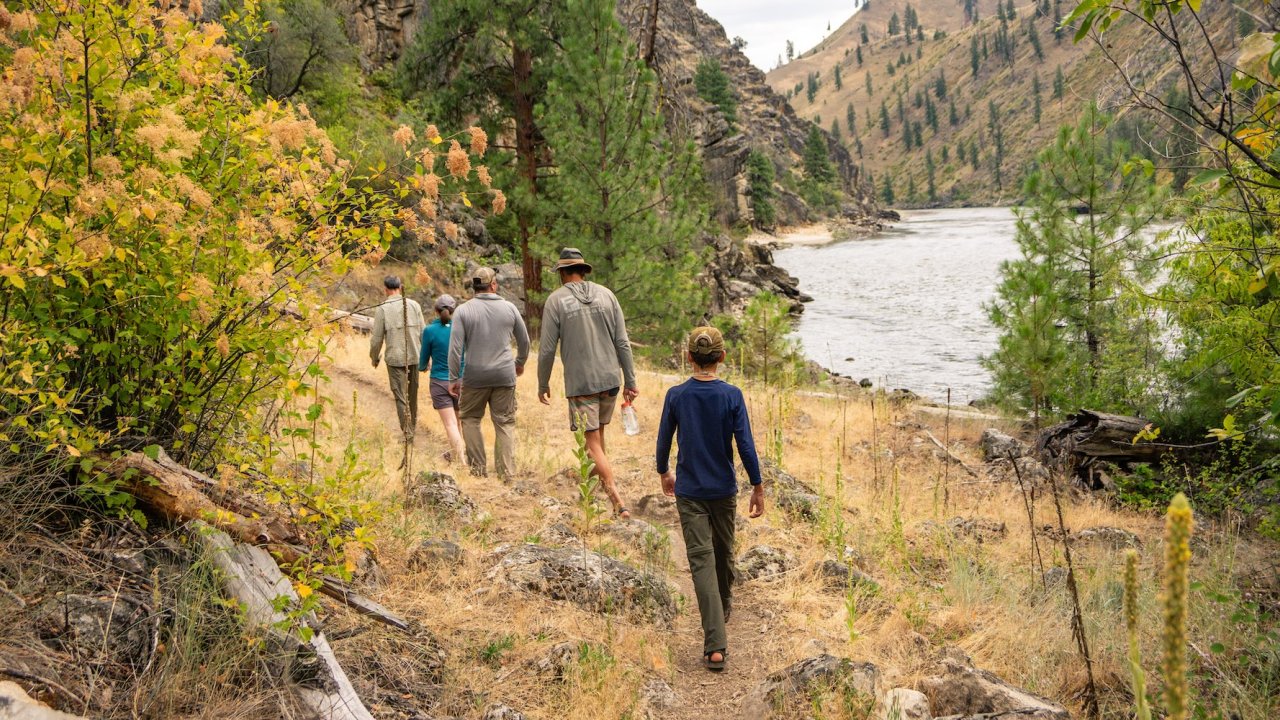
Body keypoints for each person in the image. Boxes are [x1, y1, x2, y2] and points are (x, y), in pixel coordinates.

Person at [656, 326, 764, 673]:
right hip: (723, 490)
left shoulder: (677, 395)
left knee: (703, 560)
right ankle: (717, 638)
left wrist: (664, 471)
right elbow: (744, 444)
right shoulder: (732, 395)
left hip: (690, 491)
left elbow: (664, 440)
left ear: (689, 357)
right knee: (723, 551)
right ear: (722, 357)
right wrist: (758, 485)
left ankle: (719, 614)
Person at [537, 247, 638, 518]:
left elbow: (546, 349)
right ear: (583, 270)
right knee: (598, 438)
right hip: (610, 379)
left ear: (562, 273)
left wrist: (542, 382)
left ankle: (618, 501)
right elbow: (622, 342)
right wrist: (630, 379)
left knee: (590, 442)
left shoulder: (556, 301)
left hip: (582, 382)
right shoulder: (607, 295)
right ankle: (594, 495)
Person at [448, 267, 529, 480]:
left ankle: (478, 472)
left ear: (475, 286)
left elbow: (455, 349)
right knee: (504, 422)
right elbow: (525, 341)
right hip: (504, 374)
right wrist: (519, 363)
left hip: (475, 376)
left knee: (471, 418)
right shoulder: (509, 308)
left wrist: (454, 378)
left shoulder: (463, 311)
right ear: (493, 285)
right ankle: (506, 474)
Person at [370, 275, 425, 443]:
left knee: (401, 396)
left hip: (395, 359)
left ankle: (408, 434)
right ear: (400, 287)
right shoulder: (414, 305)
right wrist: (426, 357)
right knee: (413, 395)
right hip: (415, 356)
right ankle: (412, 429)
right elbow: (424, 333)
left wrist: (374, 357)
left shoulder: (383, 309)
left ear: (385, 289)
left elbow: (377, 338)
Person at [419, 293, 465, 463]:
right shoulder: (461, 328)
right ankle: (458, 455)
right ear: (453, 311)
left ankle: (460, 461)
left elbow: (423, 359)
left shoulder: (429, 330)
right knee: (459, 422)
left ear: (436, 311)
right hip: (461, 380)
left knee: (450, 424)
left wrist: (422, 367)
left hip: (440, 381)